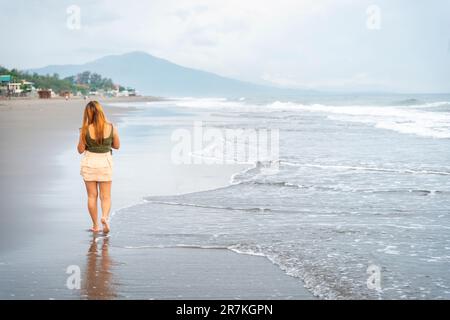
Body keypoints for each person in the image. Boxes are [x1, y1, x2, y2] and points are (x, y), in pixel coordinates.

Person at [77, 101, 120, 233]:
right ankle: (105, 217)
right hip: (105, 162)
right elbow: (117, 146)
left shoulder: (85, 130)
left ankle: (95, 225)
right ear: (101, 112)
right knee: (105, 196)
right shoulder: (112, 127)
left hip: (90, 162)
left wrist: (85, 139)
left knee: (92, 196)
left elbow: (80, 149)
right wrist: (106, 144)